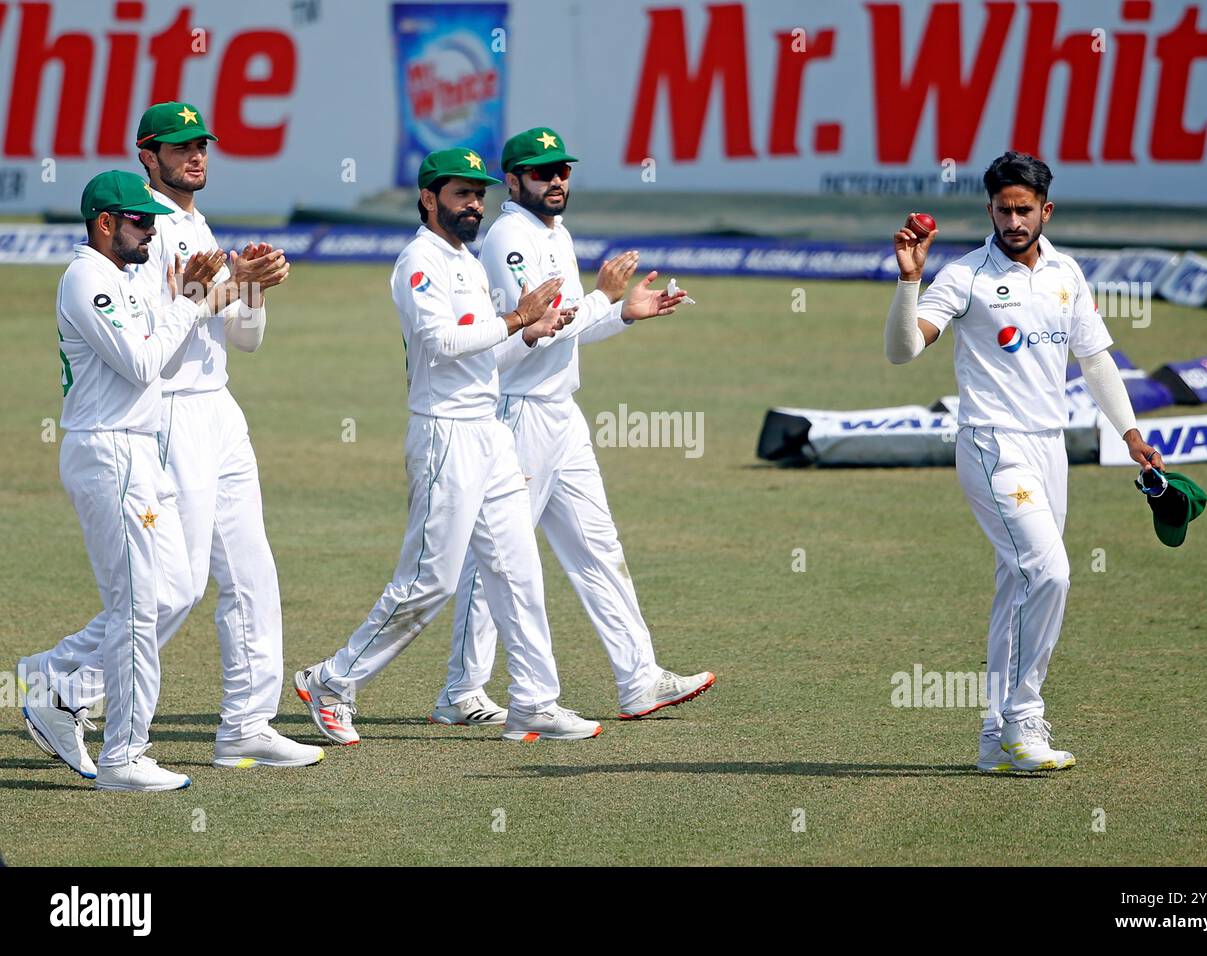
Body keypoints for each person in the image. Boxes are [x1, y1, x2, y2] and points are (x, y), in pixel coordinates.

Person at [17, 102, 317, 773]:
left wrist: (252, 287)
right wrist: (212, 292)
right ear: (147, 155)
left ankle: (246, 722)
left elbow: (245, 338)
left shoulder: (198, 223)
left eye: (201, 145)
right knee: (170, 587)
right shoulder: (137, 230)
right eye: (181, 147)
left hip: (221, 409)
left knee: (251, 570)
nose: (196, 156)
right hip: (170, 416)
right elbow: (151, 350)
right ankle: (63, 683)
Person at [294, 147, 602, 743]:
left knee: (518, 569)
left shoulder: (468, 260)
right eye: (461, 194)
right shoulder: (419, 259)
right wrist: (516, 319)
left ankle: (536, 701)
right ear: (429, 198)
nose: (473, 205)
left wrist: (533, 330)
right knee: (429, 581)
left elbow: (488, 344)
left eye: (478, 194)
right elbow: (440, 341)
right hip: (443, 434)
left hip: (489, 431)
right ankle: (333, 679)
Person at [883, 151, 1164, 773]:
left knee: (1019, 583)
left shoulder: (1067, 272)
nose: (1013, 220)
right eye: (1003, 210)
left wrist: (1130, 434)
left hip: (1049, 446)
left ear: (1045, 210)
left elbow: (1095, 361)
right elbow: (903, 352)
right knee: (1050, 572)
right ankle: (1025, 717)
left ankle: (993, 738)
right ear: (989, 210)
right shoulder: (964, 276)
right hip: (991, 443)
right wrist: (909, 282)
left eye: (1024, 209)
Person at [430, 127, 714, 728]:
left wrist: (622, 313)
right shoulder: (509, 238)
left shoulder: (554, 234)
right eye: (541, 172)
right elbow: (526, 334)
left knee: (597, 546)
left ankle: (639, 678)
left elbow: (569, 328)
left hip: (562, 411)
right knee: (501, 556)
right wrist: (602, 299)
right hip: (519, 411)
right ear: (513, 181)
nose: (555, 180)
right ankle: (462, 689)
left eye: (562, 170)